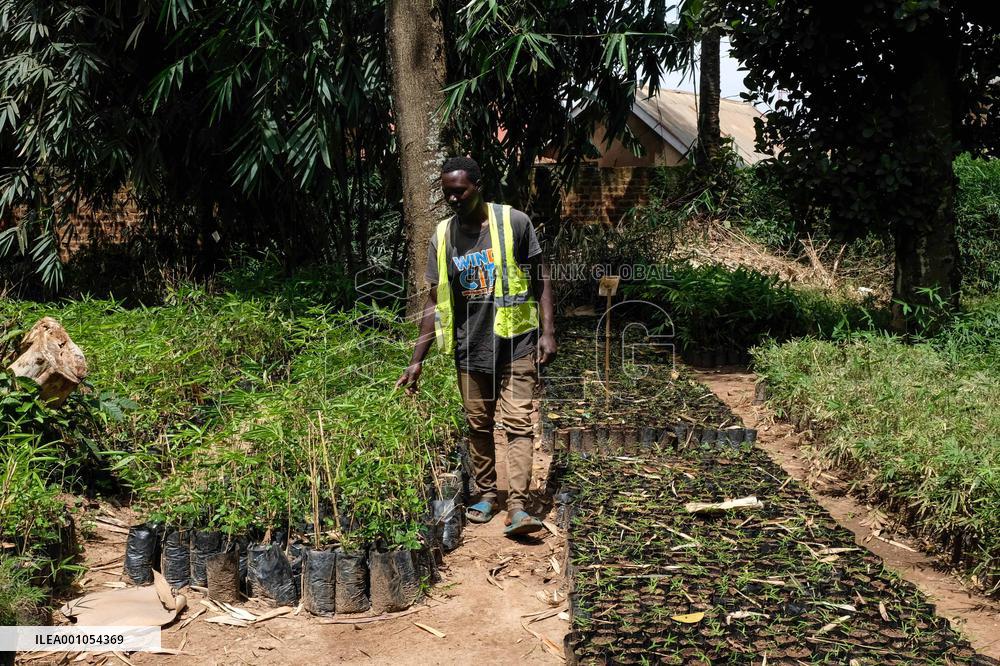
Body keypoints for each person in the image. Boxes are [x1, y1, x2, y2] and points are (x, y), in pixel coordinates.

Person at [395, 156, 557, 537]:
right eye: (447, 193)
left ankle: (518, 506)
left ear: (478, 185)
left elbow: (541, 278)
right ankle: (486, 494)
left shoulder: (514, 222)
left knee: (518, 424)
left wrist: (548, 331)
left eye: (460, 191)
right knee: (477, 425)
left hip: (516, 344)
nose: (452, 199)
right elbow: (434, 300)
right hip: (469, 349)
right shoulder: (443, 235)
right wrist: (416, 359)